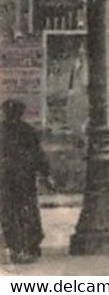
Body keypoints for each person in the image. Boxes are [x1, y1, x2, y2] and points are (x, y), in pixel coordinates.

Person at [1, 100, 50, 265]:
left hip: (7, 180)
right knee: (27, 212)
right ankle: (29, 246)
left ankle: (16, 248)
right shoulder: (28, 131)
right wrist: (46, 174)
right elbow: (39, 155)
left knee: (10, 213)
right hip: (23, 180)